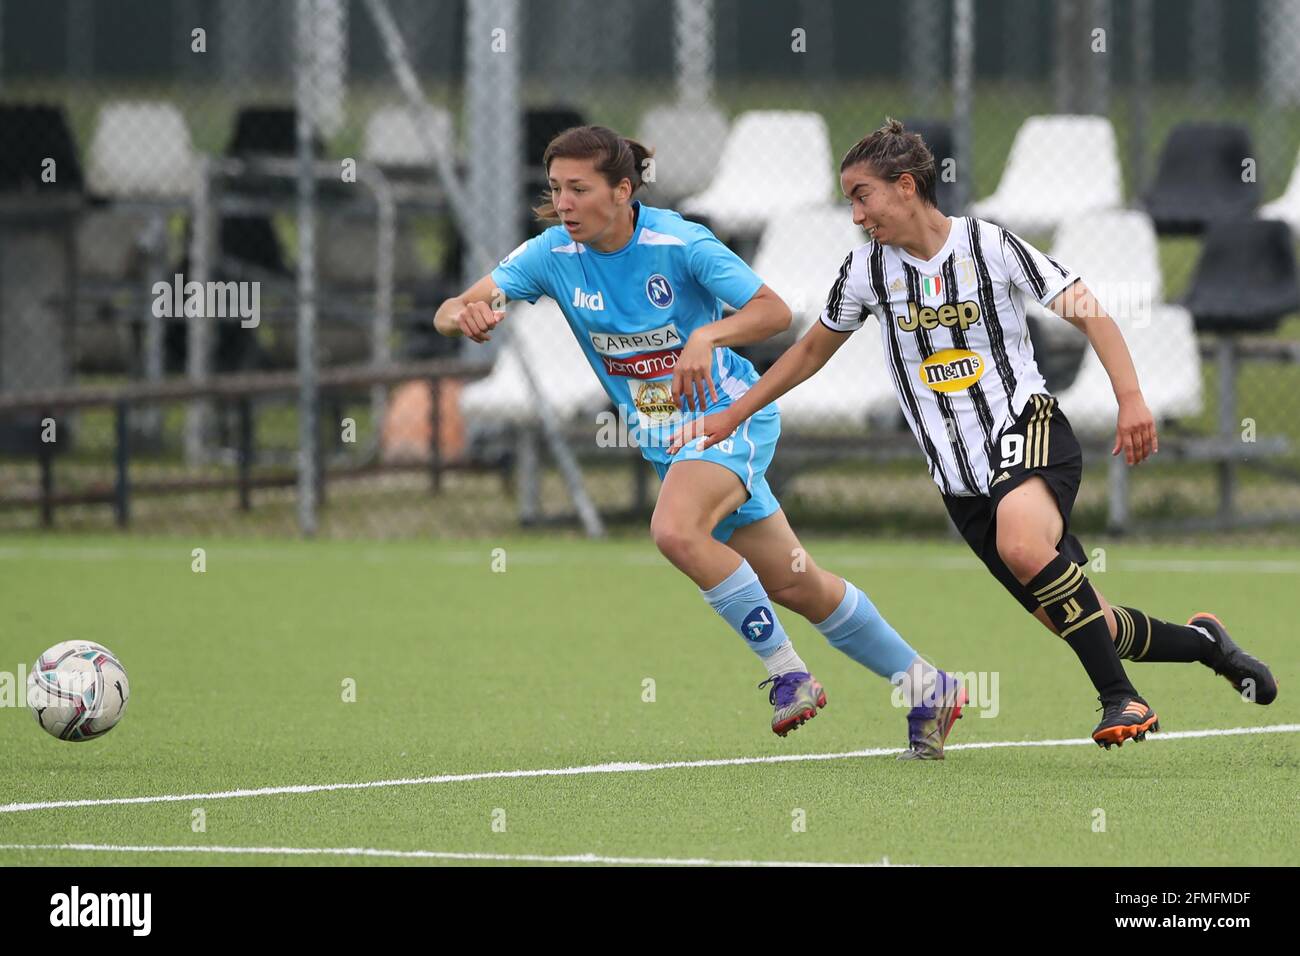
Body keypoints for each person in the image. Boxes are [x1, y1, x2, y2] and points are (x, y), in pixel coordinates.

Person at [669, 118, 1278, 750]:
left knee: (1024, 545)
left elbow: (1090, 311)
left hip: (1028, 426)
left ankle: (1119, 698)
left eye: (861, 195)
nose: (855, 215)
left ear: (905, 186)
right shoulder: (865, 272)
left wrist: (1130, 400)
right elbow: (809, 353)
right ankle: (1208, 645)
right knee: (1088, 621)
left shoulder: (989, 246)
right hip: (961, 484)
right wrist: (735, 412)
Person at [435, 125, 966, 759]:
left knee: (675, 530)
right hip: (669, 440)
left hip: (727, 418)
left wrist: (706, 338)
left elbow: (773, 312)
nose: (565, 202)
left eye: (580, 188)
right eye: (556, 189)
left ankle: (788, 673)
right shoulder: (551, 255)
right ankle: (928, 687)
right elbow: (453, 307)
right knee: (797, 583)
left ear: (623, 190)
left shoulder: (679, 241)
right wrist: (465, 315)